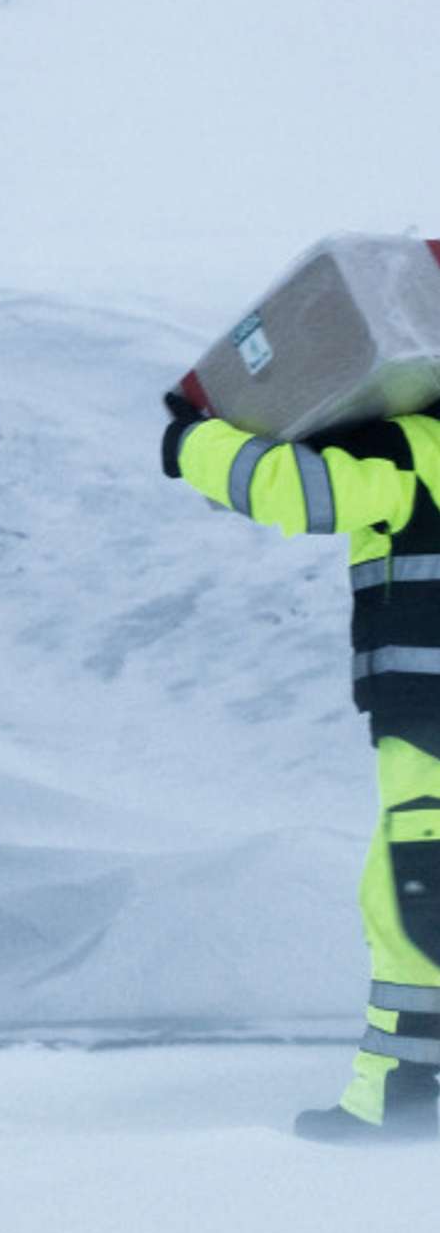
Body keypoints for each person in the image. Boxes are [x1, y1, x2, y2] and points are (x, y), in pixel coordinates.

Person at [162, 391, 440, 1144]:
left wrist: (195, 443)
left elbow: (298, 490)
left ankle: (408, 1098)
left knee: (415, 906)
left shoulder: (412, 449)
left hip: (431, 721)